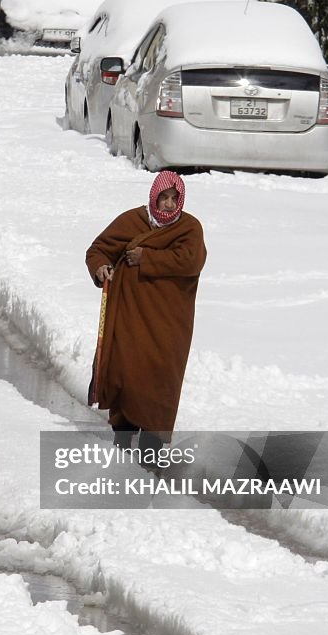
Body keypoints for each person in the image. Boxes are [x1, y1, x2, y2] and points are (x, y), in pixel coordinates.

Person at [85, 170, 206, 451]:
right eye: (163, 198)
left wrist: (146, 258)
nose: (168, 205)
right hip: (128, 316)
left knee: (160, 379)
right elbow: (98, 249)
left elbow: (190, 261)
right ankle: (123, 440)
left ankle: (151, 450)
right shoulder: (133, 221)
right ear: (153, 197)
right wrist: (101, 266)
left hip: (168, 323)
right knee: (126, 373)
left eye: (174, 200)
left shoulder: (189, 228)